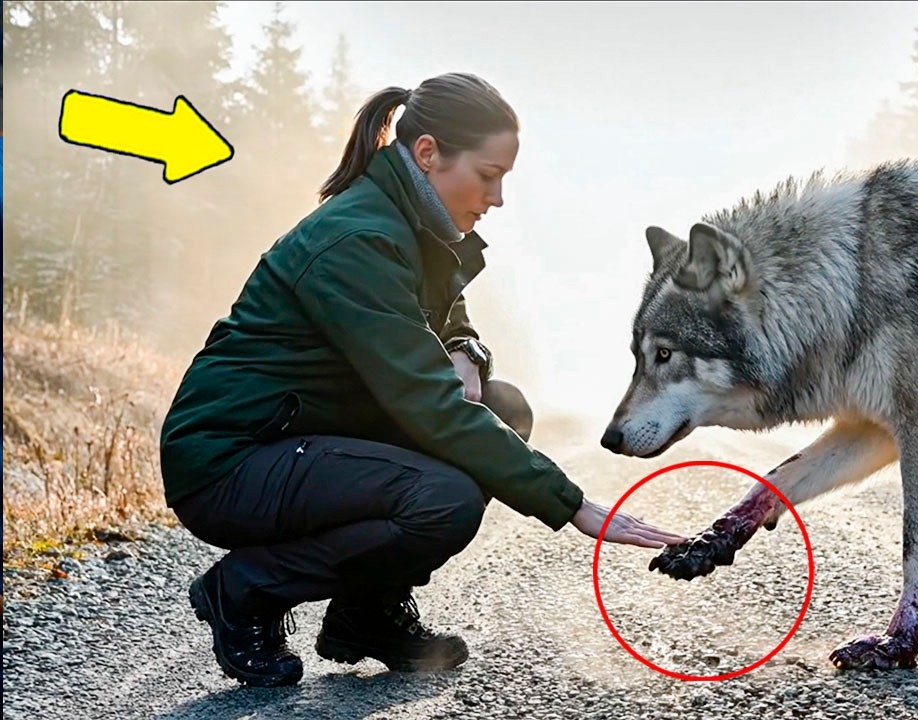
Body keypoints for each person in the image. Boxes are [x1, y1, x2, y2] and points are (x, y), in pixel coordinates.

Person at [158, 72, 688, 688]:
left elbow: (444, 319)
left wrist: (466, 349)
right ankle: (244, 589)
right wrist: (573, 505)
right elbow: (429, 403)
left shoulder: (412, 225)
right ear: (429, 153)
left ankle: (366, 614)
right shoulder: (357, 240)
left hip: (302, 436)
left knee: (503, 406)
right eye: (489, 176)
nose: (496, 198)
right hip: (231, 460)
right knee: (444, 502)